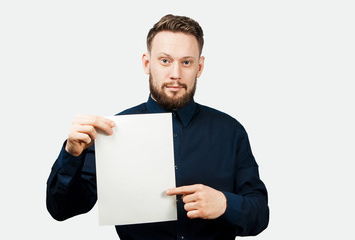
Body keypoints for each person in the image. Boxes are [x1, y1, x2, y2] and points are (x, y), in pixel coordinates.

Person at [46, 14, 269, 239]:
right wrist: (71, 155)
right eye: (165, 60)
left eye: (186, 62)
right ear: (146, 63)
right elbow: (61, 210)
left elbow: (260, 214)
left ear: (199, 67)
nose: (175, 74)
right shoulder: (111, 132)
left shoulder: (231, 131)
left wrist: (224, 204)